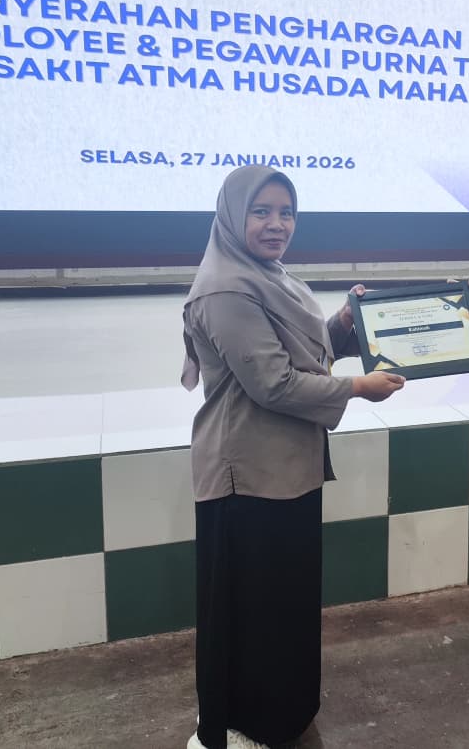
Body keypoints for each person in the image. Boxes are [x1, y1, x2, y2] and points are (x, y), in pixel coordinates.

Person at [181, 166, 405, 749]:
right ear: (234, 215)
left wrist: (346, 324)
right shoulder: (226, 288)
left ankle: (281, 715)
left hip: (286, 468)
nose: (276, 224)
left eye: (286, 213)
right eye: (261, 212)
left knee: (284, 608)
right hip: (248, 477)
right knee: (251, 615)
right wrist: (359, 388)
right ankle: (240, 727)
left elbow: (305, 352)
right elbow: (274, 383)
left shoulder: (270, 274)